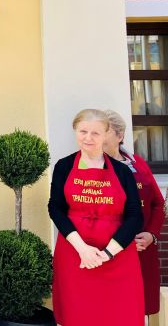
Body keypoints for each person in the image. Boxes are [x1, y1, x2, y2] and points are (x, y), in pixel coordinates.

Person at [48, 108, 144, 326]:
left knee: (120, 316)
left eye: (95, 133)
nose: (88, 138)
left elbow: (134, 216)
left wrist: (108, 253)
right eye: (83, 131)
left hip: (117, 258)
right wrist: (83, 249)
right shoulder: (64, 166)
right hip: (75, 256)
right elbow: (56, 208)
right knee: (77, 316)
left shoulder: (122, 171)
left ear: (106, 134)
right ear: (75, 131)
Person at [103, 109, 165, 318]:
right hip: (112, 253)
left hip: (143, 250)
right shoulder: (93, 167)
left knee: (139, 309)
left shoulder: (138, 162)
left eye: (104, 131)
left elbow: (158, 203)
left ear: (120, 135)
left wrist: (151, 234)